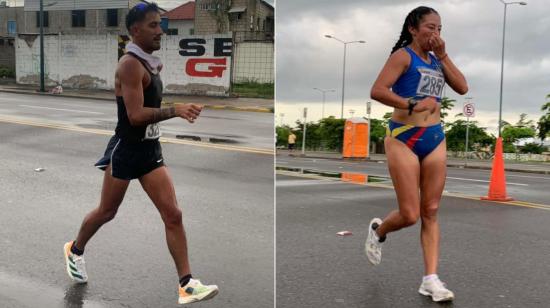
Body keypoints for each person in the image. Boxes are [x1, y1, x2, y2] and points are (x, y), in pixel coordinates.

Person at [62, 3, 218, 305]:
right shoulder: (130, 64)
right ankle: (75, 249)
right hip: (127, 150)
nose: (161, 31)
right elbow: (133, 116)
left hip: (150, 151)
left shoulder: (148, 63)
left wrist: (174, 109)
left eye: (160, 24)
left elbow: (148, 106)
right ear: (135, 30)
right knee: (107, 212)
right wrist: (176, 110)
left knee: (173, 214)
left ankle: (186, 284)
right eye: (153, 25)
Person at [366, 6, 468, 303]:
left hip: (434, 138)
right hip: (403, 137)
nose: (435, 33)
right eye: (430, 27)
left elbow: (462, 87)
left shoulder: (438, 62)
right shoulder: (402, 56)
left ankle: (430, 280)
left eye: (439, 28)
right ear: (413, 28)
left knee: (431, 211)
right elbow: (377, 90)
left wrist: (445, 55)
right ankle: (379, 231)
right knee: (410, 215)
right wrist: (410, 104)